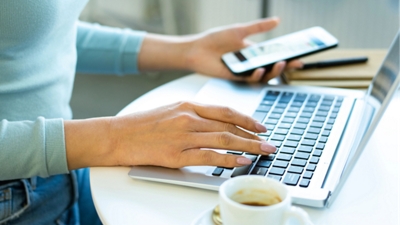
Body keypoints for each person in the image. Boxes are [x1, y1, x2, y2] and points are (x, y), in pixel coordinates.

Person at [0, 1, 301, 224]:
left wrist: (187, 50)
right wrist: (116, 138)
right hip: (14, 196)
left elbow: (37, 33)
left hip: (68, 164)